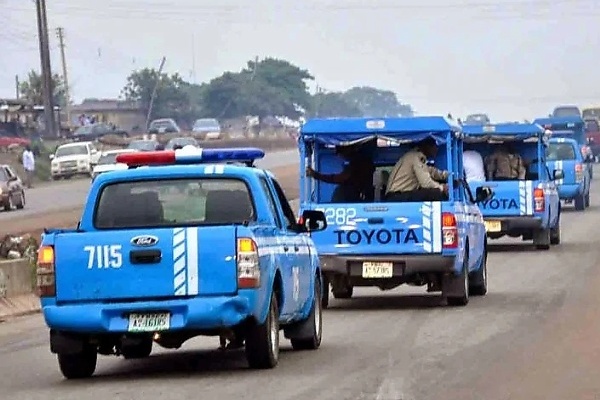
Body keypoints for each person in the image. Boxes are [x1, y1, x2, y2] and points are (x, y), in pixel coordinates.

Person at [385, 137, 450, 202]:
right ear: (426, 146)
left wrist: (448, 175)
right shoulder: (415, 157)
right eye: (434, 145)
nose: (436, 148)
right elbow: (426, 183)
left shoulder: (416, 157)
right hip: (396, 196)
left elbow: (431, 171)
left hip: (398, 195)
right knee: (434, 193)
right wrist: (442, 188)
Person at [306, 144, 375, 203]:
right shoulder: (361, 162)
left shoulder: (359, 163)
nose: (340, 156)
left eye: (340, 153)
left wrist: (316, 175)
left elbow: (338, 179)